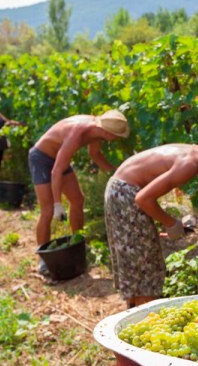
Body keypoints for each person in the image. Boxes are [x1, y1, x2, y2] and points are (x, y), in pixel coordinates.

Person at [104, 122, 198, 308]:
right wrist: (172, 224)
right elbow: (143, 199)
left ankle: (135, 312)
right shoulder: (189, 164)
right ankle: (144, 319)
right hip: (125, 193)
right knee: (144, 260)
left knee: (140, 257)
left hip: (122, 190)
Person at [29, 109, 130, 273]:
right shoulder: (77, 133)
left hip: (59, 160)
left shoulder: (97, 132)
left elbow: (95, 154)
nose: (118, 138)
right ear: (107, 131)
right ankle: (42, 258)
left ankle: (77, 243)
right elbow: (56, 171)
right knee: (47, 210)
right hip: (41, 159)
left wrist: (117, 174)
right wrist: (57, 204)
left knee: (78, 200)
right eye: (117, 135)